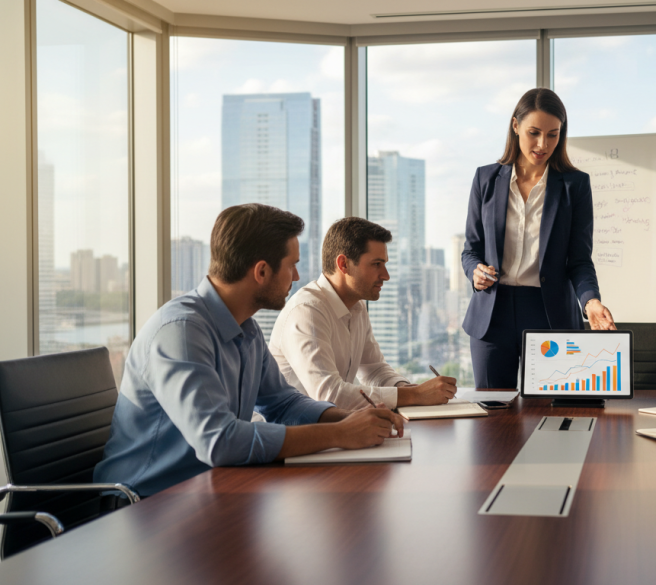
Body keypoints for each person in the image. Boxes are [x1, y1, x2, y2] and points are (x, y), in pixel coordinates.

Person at [95, 204, 404, 499]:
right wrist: (340, 434)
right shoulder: (181, 332)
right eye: (292, 265)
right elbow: (219, 441)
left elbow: (283, 404)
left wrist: (350, 418)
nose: (297, 277)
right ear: (261, 271)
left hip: (208, 489)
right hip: (143, 505)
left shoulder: (246, 328)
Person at [462, 88, 615, 388]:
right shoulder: (485, 179)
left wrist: (591, 302)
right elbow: (471, 250)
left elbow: (580, 261)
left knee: (550, 416)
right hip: (493, 315)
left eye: (553, 134)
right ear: (515, 126)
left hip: (550, 316)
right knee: (494, 420)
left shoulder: (575, 186)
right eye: (534, 132)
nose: (543, 144)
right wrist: (475, 272)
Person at [270, 217, 457, 410]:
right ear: (343, 264)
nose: (386, 275)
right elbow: (330, 395)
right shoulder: (307, 311)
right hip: (295, 435)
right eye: (376, 264)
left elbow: (375, 371)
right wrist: (415, 395)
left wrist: (412, 390)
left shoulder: (356, 307)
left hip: (333, 429)